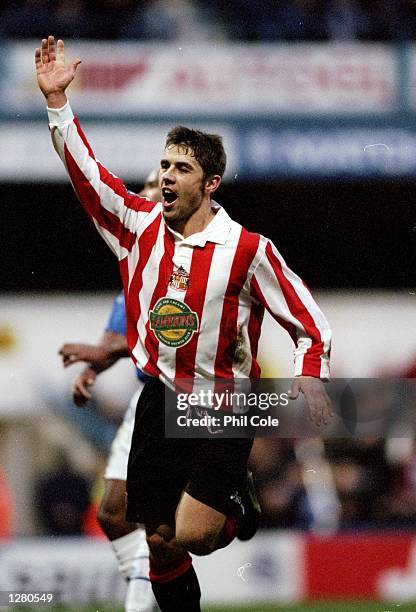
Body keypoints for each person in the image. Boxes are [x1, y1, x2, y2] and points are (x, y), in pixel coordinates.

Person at [35, 36, 332, 612]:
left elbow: (308, 319)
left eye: (183, 168)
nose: (167, 176)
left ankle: (233, 506)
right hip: (158, 400)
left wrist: (311, 373)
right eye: (165, 164)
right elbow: (86, 175)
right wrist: (57, 106)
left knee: (194, 534)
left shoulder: (247, 250)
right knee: (158, 540)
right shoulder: (137, 225)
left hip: (222, 403)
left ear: (209, 183)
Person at [58, 175, 160, 612]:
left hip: (190, 399)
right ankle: (144, 582)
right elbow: (113, 341)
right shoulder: (134, 268)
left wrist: (103, 351)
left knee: (181, 526)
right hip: (148, 400)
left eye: (162, 182)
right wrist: (92, 367)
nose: (154, 189)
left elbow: (171, 336)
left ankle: (144, 591)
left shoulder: (200, 258)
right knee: (111, 513)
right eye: (152, 183)